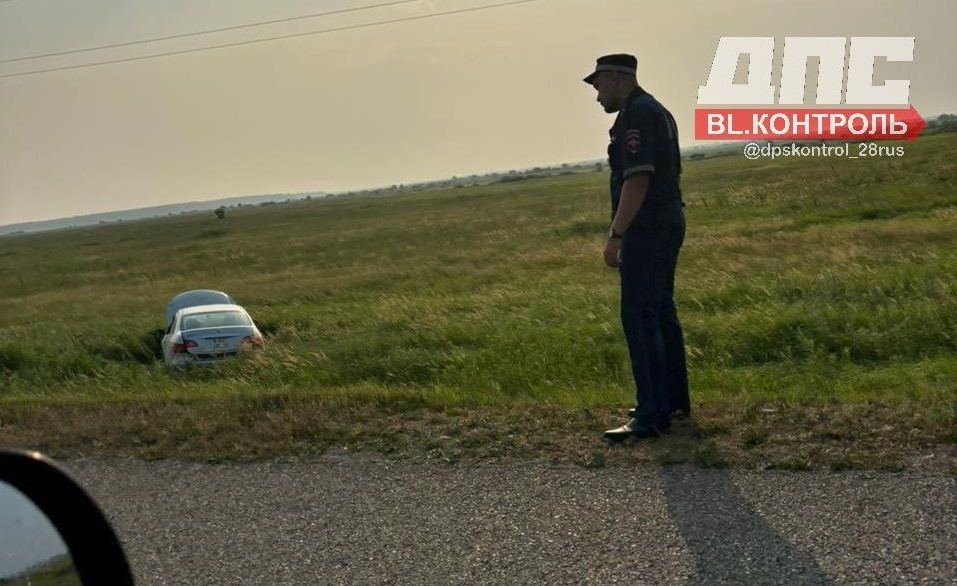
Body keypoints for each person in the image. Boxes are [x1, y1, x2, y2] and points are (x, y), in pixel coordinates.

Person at [582, 54, 690, 441]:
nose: (597, 95)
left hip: (647, 228)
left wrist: (616, 235)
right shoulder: (655, 109)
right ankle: (672, 402)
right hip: (667, 219)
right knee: (660, 312)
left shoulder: (636, 115)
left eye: (598, 85)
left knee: (639, 316)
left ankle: (651, 414)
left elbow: (637, 179)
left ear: (615, 77)